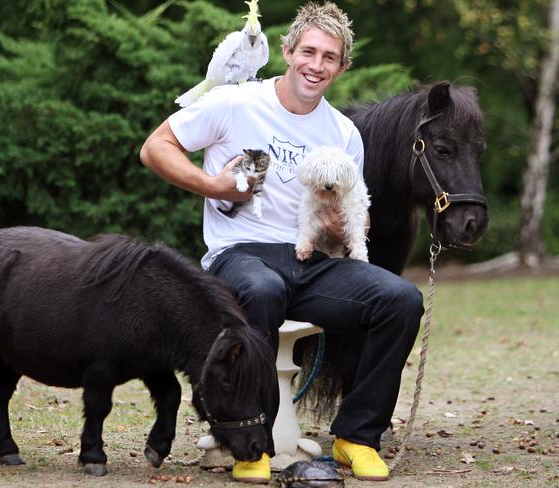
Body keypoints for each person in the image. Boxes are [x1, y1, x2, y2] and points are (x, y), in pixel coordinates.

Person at [140, 1, 422, 483]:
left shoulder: (345, 134)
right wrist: (214, 187)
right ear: (288, 52)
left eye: (329, 57)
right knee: (263, 289)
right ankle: (253, 442)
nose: (316, 65)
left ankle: (357, 436)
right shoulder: (235, 102)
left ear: (341, 67)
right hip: (239, 253)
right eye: (308, 52)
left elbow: (361, 218)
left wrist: (340, 226)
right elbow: (155, 148)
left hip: (310, 260)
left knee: (400, 299)